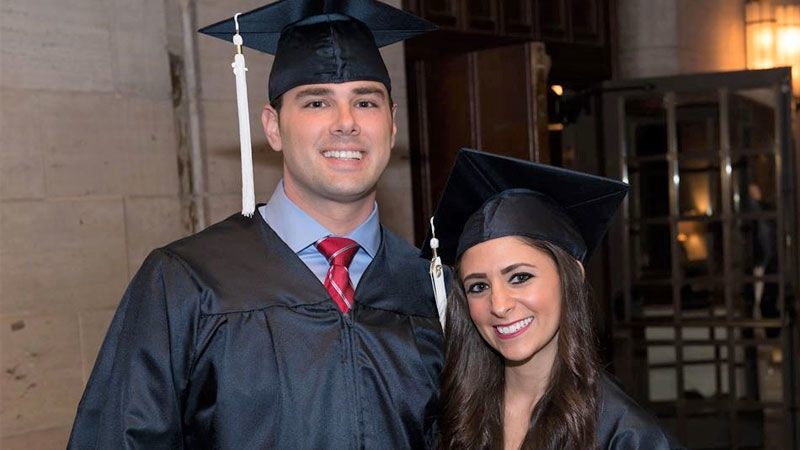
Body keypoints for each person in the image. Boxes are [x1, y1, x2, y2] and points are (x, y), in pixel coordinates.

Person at [68, 1, 443, 448]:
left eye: (365, 101)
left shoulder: (432, 288)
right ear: (273, 127)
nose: (346, 123)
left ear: (393, 124)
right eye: (317, 102)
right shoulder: (188, 282)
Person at [424, 149, 682, 450]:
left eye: (520, 277)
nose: (499, 304)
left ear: (572, 274)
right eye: (478, 286)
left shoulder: (625, 436)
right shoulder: (454, 415)